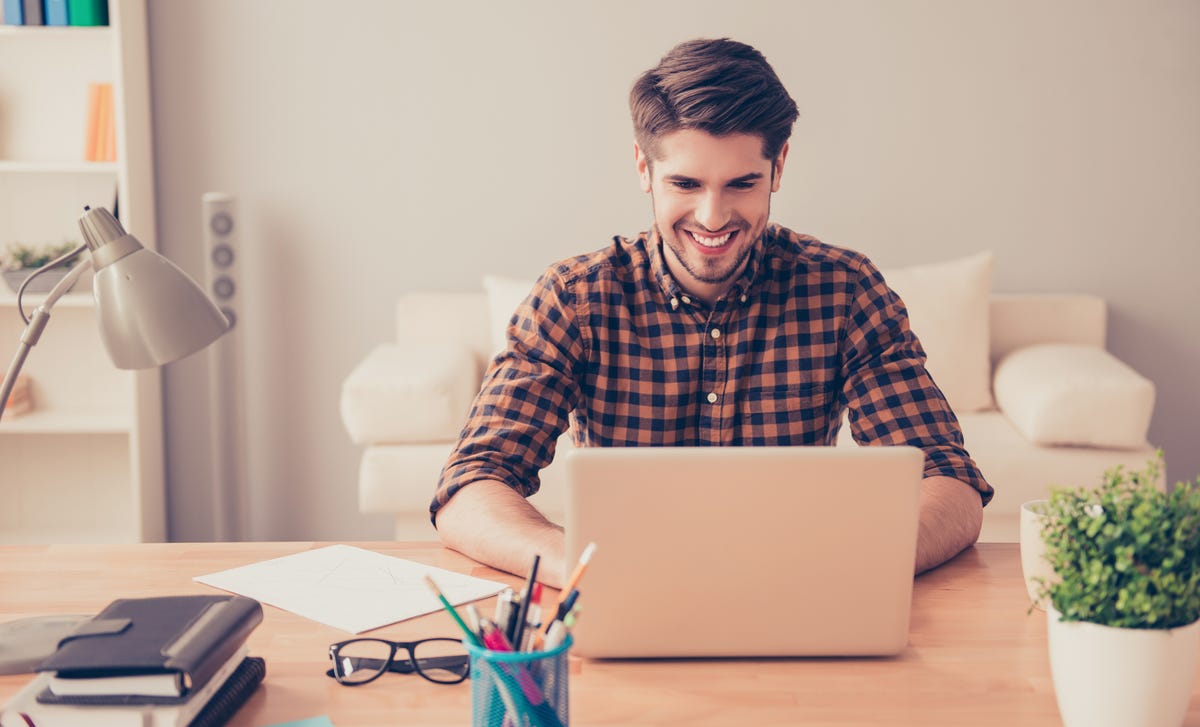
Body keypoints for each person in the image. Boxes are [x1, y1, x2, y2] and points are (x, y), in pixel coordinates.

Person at [431, 38, 992, 588]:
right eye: (686, 183)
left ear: (777, 169)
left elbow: (949, 478)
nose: (712, 216)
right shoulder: (575, 298)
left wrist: (854, 564)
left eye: (741, 183)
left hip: (798, 594)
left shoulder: (844, 291)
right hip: (626, 597)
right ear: (644, 169)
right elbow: (471, 484)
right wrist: (576, 565)